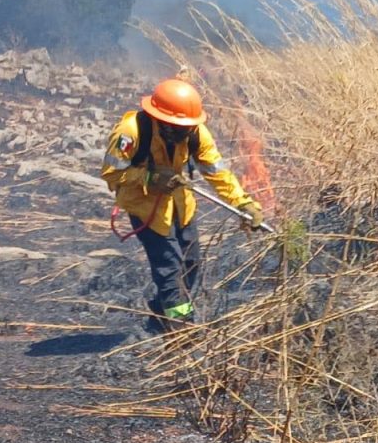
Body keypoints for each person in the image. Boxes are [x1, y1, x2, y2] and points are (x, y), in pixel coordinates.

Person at [101, 78, 263, 332]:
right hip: (146, 209)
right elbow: (111, 173)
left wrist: (243, 203)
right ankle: (182, 327)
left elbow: (216, 171)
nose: (182, 133)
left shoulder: (195, 131)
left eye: (186, 128)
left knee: (191, 263)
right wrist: (149, 177)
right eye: (176, 127)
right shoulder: (131, 131)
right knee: (170, 268)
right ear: (159, 118)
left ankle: (161, 314)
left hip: (181, 205)